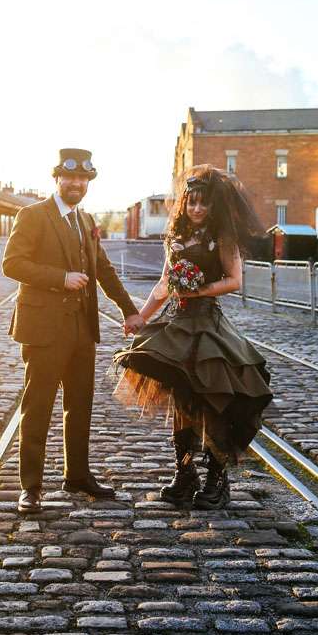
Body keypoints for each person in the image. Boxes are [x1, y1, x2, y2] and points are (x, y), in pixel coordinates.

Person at [114, 165, 272, 510]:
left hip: (207, 326)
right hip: (178, 324)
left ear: (213, 205)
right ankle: (184, 474)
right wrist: (142, 316)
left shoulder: (222, 237)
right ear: (184, 203)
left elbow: (235, 280)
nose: (197, 209)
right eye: (191, 202)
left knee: (212, 400)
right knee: (182, 401)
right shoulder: (175, 237)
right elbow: (164, 283)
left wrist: (198, 290)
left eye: (203, 203)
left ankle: (217, 479)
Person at [3, 148, 144, 513]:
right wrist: (60, 278)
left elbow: (104, 269)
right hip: (44, 329)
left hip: (82, 329)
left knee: (80, 406)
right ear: (57, 178)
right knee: (38, 407)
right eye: (71, 177)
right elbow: (12, 264)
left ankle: (77, 475)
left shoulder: (86, 220)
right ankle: (30, 487)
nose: (77, 184)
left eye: (83, 179)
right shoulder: (33, 215)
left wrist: (129, 310)